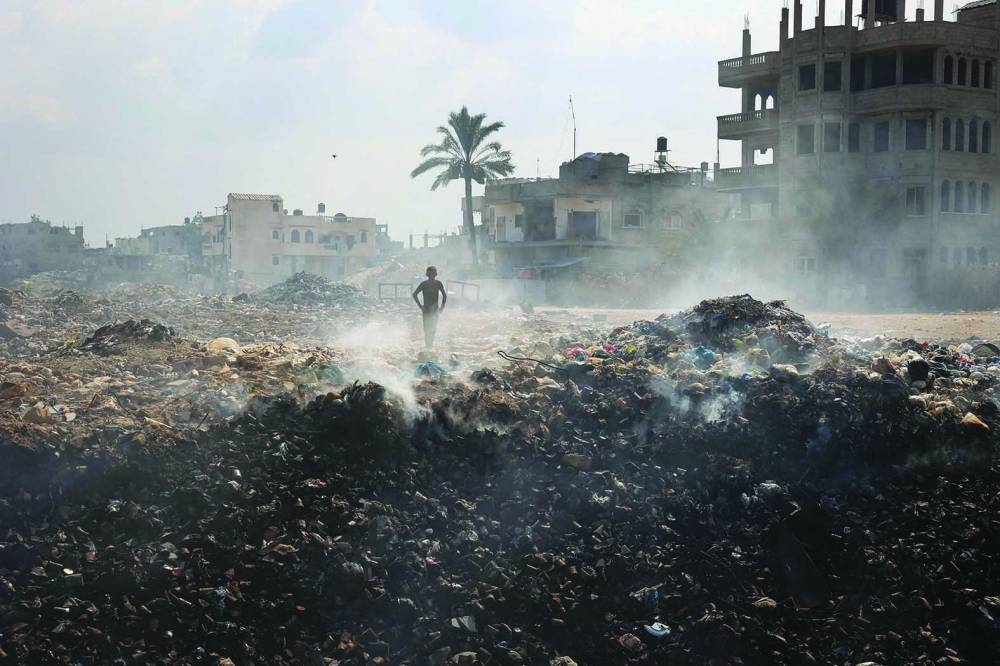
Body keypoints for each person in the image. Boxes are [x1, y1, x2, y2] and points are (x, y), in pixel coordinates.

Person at [412, 266, 447, 349]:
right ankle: (428, 345)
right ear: (427, 274)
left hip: (434, 310)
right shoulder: (424, 284)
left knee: (433, 327)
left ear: (435, 274)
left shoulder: (438, 283)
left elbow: (444, 295)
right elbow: (414, 294)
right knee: (427, 328)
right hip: (427, 310)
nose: (431, 275)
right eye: (430, 273)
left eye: (433, 273)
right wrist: (421, 306)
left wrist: (442, 307)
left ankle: (430, 344)